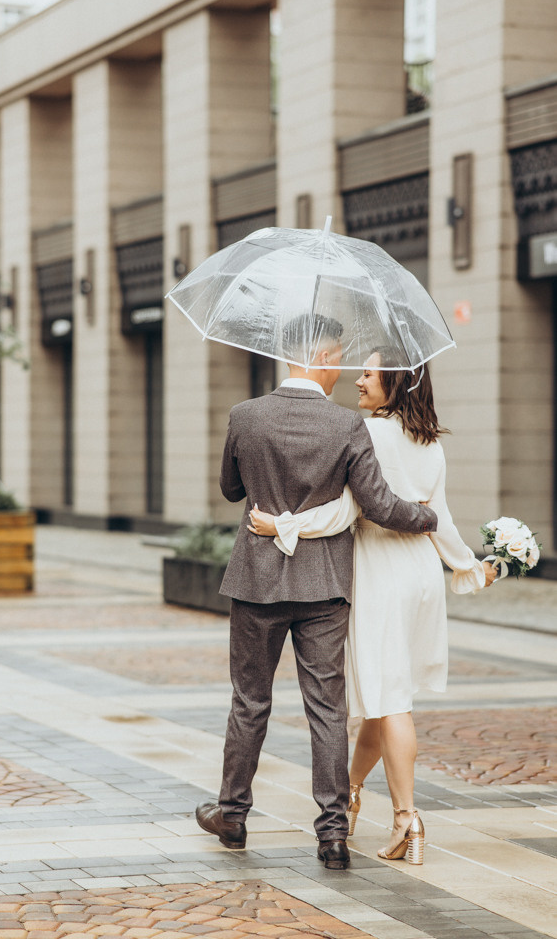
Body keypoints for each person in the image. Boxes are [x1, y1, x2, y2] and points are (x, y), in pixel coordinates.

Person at [195, 319, 438, 871]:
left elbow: (232, 489)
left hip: (256, 581)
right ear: (323, 358)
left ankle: (232, 814)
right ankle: (332, 836)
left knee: (249, 700)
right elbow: (379, 505)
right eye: (340, 360)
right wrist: (427, 517)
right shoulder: (345, 425)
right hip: (324, 585)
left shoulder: (245, 416)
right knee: (327, 709)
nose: (344, 371)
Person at [248, 350, 496, 866]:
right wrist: (468, 567)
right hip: (421, 573)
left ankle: (408, 817)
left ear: (396, 383)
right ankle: (353, 792)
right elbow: (438, 516)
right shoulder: (429, 441)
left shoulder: (369, 433)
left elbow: (348, 510)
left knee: (391, 700)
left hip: (381, 571)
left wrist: (284, 527)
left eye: (369, 373)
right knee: (386, 694)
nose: (358, 380)